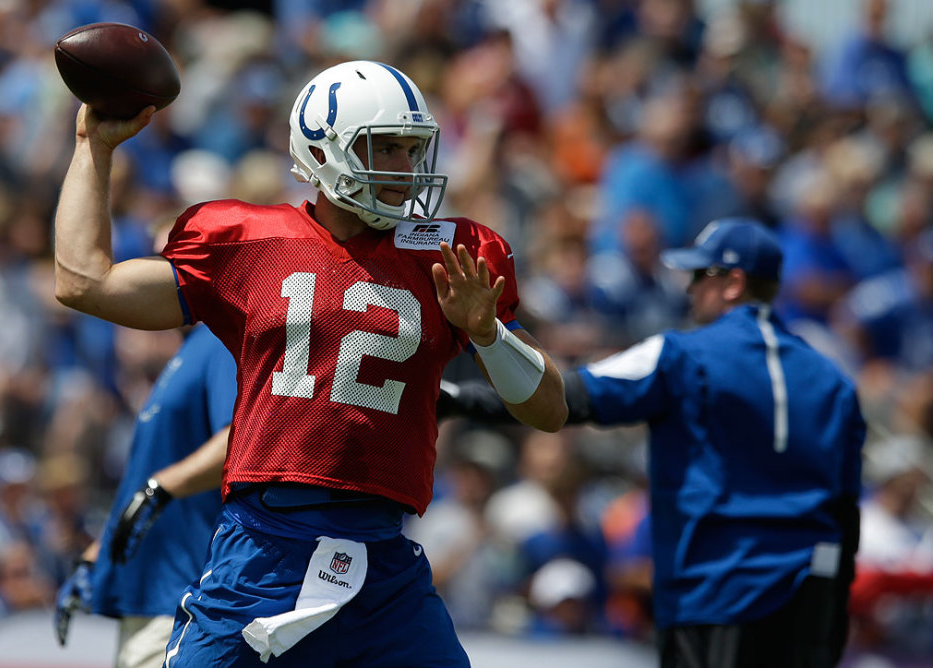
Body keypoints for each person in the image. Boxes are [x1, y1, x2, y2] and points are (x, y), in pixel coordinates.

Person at [53, 59, 566, 666]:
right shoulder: (249, 242)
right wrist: (94, 147)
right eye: (386, 149)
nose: (406, 170)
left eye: (412, 150)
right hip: (262, 550)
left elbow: (548, 410)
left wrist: (486, 332)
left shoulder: (450, 257)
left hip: (384, 565)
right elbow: (84, 281)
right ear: (322, 155)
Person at [562, 219, 865, 668]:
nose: (688, 288)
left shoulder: (683, 354)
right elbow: (847, 510)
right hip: (811, 599)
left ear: (733, 283)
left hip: (718, 593)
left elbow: (568, 396)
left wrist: (464, 395)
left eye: (700, 275)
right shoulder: (833, 377)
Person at [54, 323, 237, 668]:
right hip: (149, 598)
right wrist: (96, 556)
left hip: (182, 600)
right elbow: (145, 477)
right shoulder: (188, 351)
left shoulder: (219, 339)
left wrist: (161, 488)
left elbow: (238, 438)